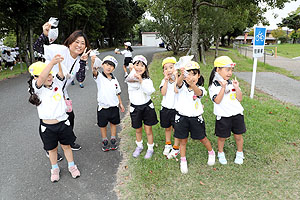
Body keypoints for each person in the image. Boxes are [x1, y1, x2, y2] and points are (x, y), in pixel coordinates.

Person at [33, 21, 91, 158]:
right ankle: (49, 148)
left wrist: (83, 61)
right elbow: (37, 48)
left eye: (83, 43)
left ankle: (68, 141)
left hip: (61, 92)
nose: (79, 45)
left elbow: (81, 79)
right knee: (48, 117)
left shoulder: (80, 59)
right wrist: (44, 34)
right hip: (47, 89)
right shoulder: (59, 49)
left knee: (69, 116)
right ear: (70, 42)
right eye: (77, 42)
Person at [27, 59, 80, 182]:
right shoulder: (37, 88)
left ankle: (72, 166)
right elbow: (41, 79)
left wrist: (59, 62)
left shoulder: (57, 83)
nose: (50, 77)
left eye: (51, 74)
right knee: (52, 150)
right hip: (47, 127)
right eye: (47, 74)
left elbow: (60, 74)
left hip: (63, 123)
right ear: (35, 78)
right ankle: (54, 169)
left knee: (66, 146)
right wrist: (51, 63)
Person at [174, 61, 215, 174]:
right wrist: (182, 75)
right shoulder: (181, 86)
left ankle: (211, 152)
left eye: (194, 74)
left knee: (202, 138)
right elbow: (178, 83)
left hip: (196, 118)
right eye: (189, 74)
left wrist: (193, 85)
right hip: (181, 117)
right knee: (183, 140)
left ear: (199, 76)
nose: (191, 77)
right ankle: (183, 160)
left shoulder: (200, 88)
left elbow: (199, 93)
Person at [208, 56, 246, 165]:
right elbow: (217, 100)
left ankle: (240, 152)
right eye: (227, 70)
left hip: (237, 114)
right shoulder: (213, 86)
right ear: (217, 70)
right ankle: (220, 152)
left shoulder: (231, 83)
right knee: (222, 137)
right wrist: (223, 88)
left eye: (231, 70)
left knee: (238, 135)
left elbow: (239, 98)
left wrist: (237, 87)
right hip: (223, 115)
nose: (230, 73)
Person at [125, 55, 158, 159]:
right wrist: (133, 73)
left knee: (148, 130)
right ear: (133, 66)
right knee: (138, 129)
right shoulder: (130, 79)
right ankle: (139, 146)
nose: (139, 68)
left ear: (145, 68)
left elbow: (150, 91)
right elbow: (133, 85)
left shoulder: (147, 80)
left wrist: (141, 80)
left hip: (147, 107)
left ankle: (150, 148)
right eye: (136, 65)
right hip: (135, 108)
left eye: (142, 65)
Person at [91, 55, 125, 151]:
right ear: (102, 65)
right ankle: (104, 140)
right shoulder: (99, 77)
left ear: (114, 68)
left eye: (111, 65)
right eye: (106, 64)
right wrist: (93, 62)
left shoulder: (115, 80)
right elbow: (94, 71)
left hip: (114, 107)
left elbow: (117, 92)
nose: (108, 67)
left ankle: (113, 139)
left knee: (113, 123)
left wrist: (120, 103)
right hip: (103, 107)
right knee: (103, 125)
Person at [159, 57, 180, 158]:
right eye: (166, 68)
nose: (168, 70)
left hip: (177, 109)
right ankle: (168, 144)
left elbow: (176, 90)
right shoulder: (164, 81)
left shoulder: (180, 81)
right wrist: (166, 81)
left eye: (171, 67)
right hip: (166, 108)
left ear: (176, 69)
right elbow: (163, 93)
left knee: (176, 129)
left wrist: (175, 78)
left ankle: (176, 147)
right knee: (167, 128)